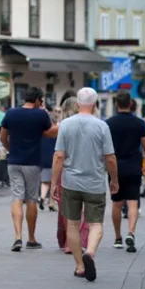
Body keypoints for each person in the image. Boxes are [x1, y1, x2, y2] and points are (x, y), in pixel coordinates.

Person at [51, 88, 119, 282]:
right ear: (95, 104)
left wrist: (54, 183)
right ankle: (90, 252)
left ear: (78, 104)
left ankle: (80, 265)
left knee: (72, 223)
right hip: (95, 183)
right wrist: (114, 180)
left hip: (71, 182)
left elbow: (58, 156)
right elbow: (110, 158)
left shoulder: (65, 125)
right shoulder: (102, 126)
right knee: (95, 223)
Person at [0, 87, 58, 252]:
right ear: (38, 100)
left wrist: (11, 149)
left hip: (14, 161)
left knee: (17, 197)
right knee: (31, 199)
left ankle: (18, 237)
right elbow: (49, 133)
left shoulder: (11, 113)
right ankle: (31, 239)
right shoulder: (40, 115)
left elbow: (2, 137)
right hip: (33, 162)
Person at [105, 90, 145, 252]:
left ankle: (118, 238)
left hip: (115, 168)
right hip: (134, 167)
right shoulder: (139, 123)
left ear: (116, 104)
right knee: (133, 202)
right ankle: (131, 233)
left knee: (117, 204)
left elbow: (104, 147)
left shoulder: (109, 123)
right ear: (131, 104)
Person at [54, 97, 89, 254]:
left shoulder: (62, 127)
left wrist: (53, 182)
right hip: (86, 169)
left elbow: (59, 155)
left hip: (66, 170)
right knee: (82, 207)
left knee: (67, 207)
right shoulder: (91, 124)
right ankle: (80, 239)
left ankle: (69, 241)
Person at [39, 109, 58, 212]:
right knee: (53, 182)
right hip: (54, 158)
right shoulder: (56, 131)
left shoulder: (43, 132)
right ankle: (51, 202)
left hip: (43, 158)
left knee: (45, 181)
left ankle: (42, 197)